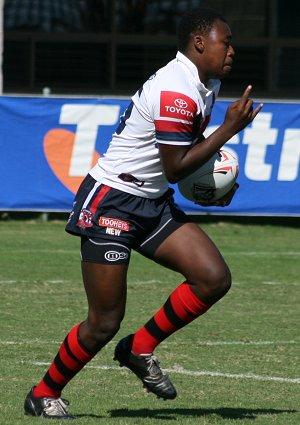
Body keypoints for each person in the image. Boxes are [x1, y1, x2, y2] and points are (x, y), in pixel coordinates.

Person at [24, 7, 263, 419]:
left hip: (150, 202)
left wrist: (212, 184)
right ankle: (43, 393)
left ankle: (139, 348)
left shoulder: (204, 83)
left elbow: (184, 150)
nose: (232, 51)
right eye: (226, 42)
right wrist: (229, 130)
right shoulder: (176, 88)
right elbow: (175, 166)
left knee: (212, 278)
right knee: (104, 321)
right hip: (113, 201)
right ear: (199, 42)